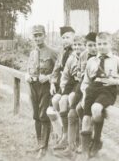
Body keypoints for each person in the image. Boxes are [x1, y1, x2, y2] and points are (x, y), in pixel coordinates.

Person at [80, 32, 119, 159]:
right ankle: (84, 153)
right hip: (91, 90)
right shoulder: (91, 61)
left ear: (111, 44)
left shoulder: (117, 61)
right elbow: (86, 82)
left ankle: (97, 140)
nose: (102, 47)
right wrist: (84, 95)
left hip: (107, 90)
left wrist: (114, 81)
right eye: (99, 44)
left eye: (105, 44)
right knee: (86, 118)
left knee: (96, 109)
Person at [55, 32, 97, 158]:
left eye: (95, 45)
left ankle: (84, 145)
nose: (93, 48)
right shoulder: (83, 55)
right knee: (72, 112)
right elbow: (79, 74)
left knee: (82, 111)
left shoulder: (100, 59)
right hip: (82, 85)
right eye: (90, 45)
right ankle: (70, 146)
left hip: (94, 89)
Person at [25, 25, 58, 159]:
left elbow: (59, 72)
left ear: (45, 35)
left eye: (39, 35)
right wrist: (27, 75)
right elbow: (28, 68)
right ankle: (39, 144)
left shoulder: (52, 52)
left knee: (44, 115)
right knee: (36, 115)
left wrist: (49, 77)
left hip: (45, 88)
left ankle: (44, 147)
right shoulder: (32, 53)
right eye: (35, 35)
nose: (37, 38)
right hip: (33, 86)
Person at [46, 26, 75, 145]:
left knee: (69, 108)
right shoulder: (62, 51)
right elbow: (56, 69)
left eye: (67, 37)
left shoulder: (78, 50)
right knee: (51, 109)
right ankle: (62, 134)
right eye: (63, 38)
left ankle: (71, 137)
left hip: (73, 84)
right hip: (61, 84)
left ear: (73, 36)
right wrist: (53, 83)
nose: (65, 40)